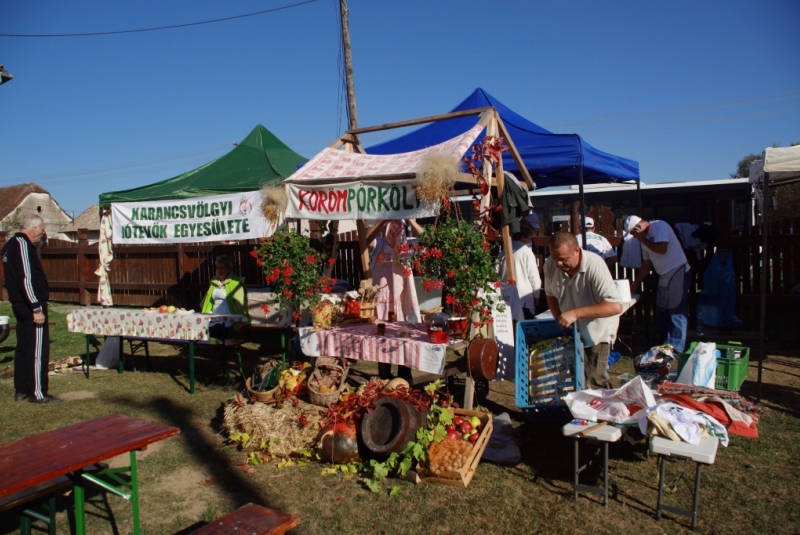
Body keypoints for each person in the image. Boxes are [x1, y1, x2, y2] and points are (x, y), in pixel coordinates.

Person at [544, 232, 622, 390]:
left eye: (563, 258)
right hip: (572, 331)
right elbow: (550, 295)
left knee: (595, 380)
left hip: (597, 332)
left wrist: (575, 313)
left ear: (577, 251)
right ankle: (579, 413)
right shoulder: (550, 265)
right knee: (574, 380)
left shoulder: (595, 265)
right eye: (554, 257)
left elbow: (615, 306)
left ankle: (602, 413)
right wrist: (559, 319)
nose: (558, 263)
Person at [1, 214, 57, 403]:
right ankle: (38, 393)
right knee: (37, 349)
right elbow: (26, 279)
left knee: (23, 347)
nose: (41, 234)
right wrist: (36, 307)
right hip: (30, 305)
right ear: (33, 229)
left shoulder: (8, 246)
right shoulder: (22, 245)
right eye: (41, 230)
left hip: (19, 304)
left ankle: (22, 389)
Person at [367, 219, 422, 382]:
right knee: (382, 336)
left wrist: (411, 220)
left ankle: (404, 377)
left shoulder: (409, 243)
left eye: (398, 228)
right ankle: (384, 377)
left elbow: (427, 238)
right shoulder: (380, 243)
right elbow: (366, 239)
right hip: (384, 298)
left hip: (403, 296)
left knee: (406, 335)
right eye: (391, 227)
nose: (394, 231)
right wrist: (383, 219)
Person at [627, 215, 691, 352]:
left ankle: (677, 348)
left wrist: (643, 239)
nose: (634, 236)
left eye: (633, 233)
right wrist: (636, 283)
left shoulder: (659, 226)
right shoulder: (642, 239)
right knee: (662, 310)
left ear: (638, 228)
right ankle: (664, 345)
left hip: (677, 270)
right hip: (664, 274)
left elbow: (662, 249)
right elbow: (646, 263)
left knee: (676, 311)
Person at [498, 225, 541, 320]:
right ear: (523, 237)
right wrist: (536, 295)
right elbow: (533, 276)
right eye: (529, 237)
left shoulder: (504, 251)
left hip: (506, 295)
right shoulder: (526, 252)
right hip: (523, 296)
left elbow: (496, 272)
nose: (530, 240)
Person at [201, 255, 250, 340]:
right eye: (218, 268)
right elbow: (208, 300)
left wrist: (239, 320)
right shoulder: (214, 281)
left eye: (222, 268)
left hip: (229, 318)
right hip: (214, 316)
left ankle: (222, 350)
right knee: (208, 327)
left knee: (218, 329)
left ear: (228, 269)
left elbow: (240, 303)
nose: (219, 271)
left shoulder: (235, 283)